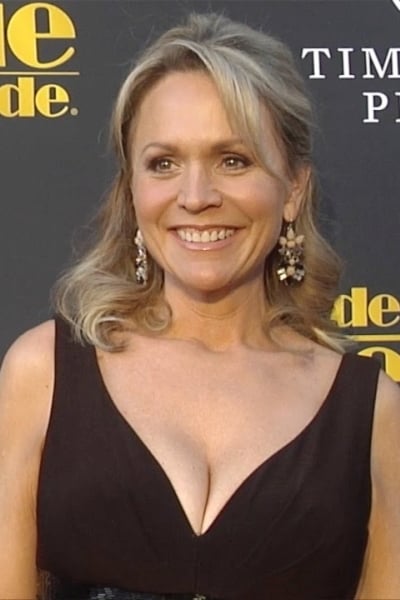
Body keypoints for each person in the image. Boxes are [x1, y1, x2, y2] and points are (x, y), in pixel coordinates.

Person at [0, 11, 399, 600]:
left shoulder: (375, 415)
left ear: (293, 189)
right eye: (163, 163)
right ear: (132, 191)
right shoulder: (43, 373)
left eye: (233, 160)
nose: (196, 196)